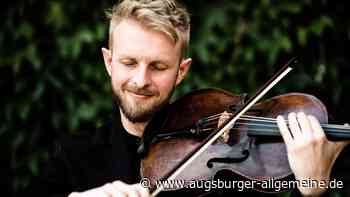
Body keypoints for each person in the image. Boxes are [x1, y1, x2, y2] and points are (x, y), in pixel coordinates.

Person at [28, 0, 348, 196]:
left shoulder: (221, 173)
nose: (141, 80)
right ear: (108, 61)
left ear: (182, 71)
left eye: (158, 67)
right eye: (128, 63)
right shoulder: (74, 158)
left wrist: (313, 189)